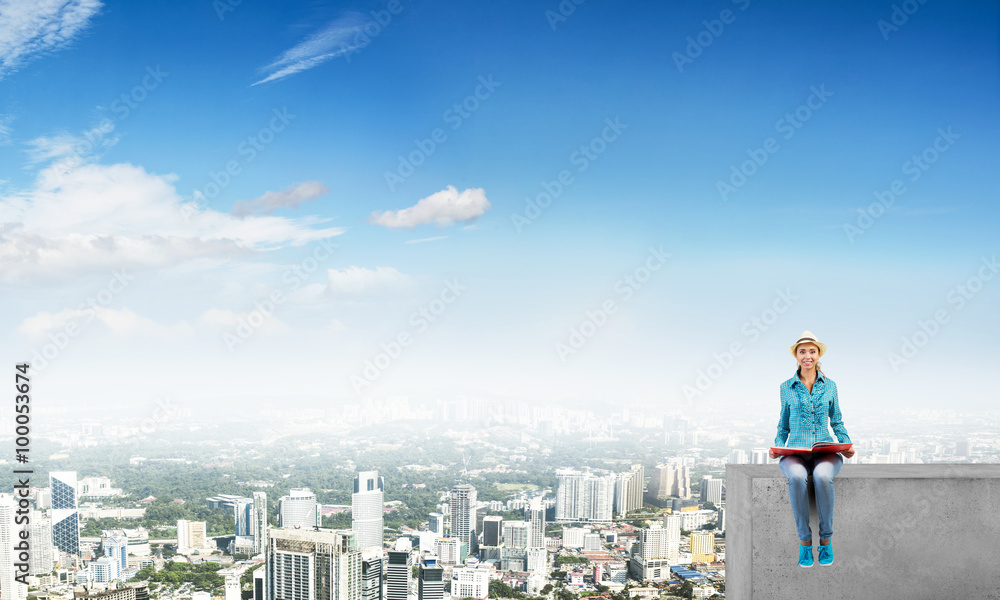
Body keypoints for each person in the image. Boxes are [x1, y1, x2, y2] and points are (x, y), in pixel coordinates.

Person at [769, 331, 855, 568]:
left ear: (818, 355)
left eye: (812, 351)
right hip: (795, 453)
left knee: (822, 476)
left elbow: (837, 420)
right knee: (796, 477)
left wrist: (846, 443)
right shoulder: (786, 387)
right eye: (802, 351)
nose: (807, 355)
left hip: (825, 451)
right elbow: (783, 423)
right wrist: (777, 445)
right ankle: (805, 543)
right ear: (796, 356)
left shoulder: (830, 386)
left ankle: (826, 540)